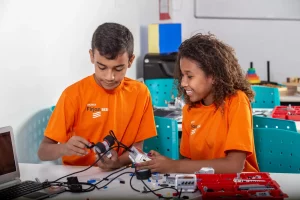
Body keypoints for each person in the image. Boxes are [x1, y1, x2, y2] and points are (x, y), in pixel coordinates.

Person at [38, 22, 157, 171]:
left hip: (119, 174)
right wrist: (64, 148)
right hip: (78, 175)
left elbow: (137, 148)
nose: (110, 77)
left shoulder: (140, 93)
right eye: (102, 67)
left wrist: (118, 162)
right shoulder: (73, 95)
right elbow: (43, 151)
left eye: (118, 68)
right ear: (92, 56)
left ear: (131, 61)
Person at [136, 33, 259, 174]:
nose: (183, 83)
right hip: (205, 185)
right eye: (182, 75)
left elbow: (234, 166)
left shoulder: (236, 101)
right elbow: (189, 162)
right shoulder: (189, 109)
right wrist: (162, 163)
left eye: (190, 76)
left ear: (212, 76)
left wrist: (174, 166)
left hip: (239, 186)